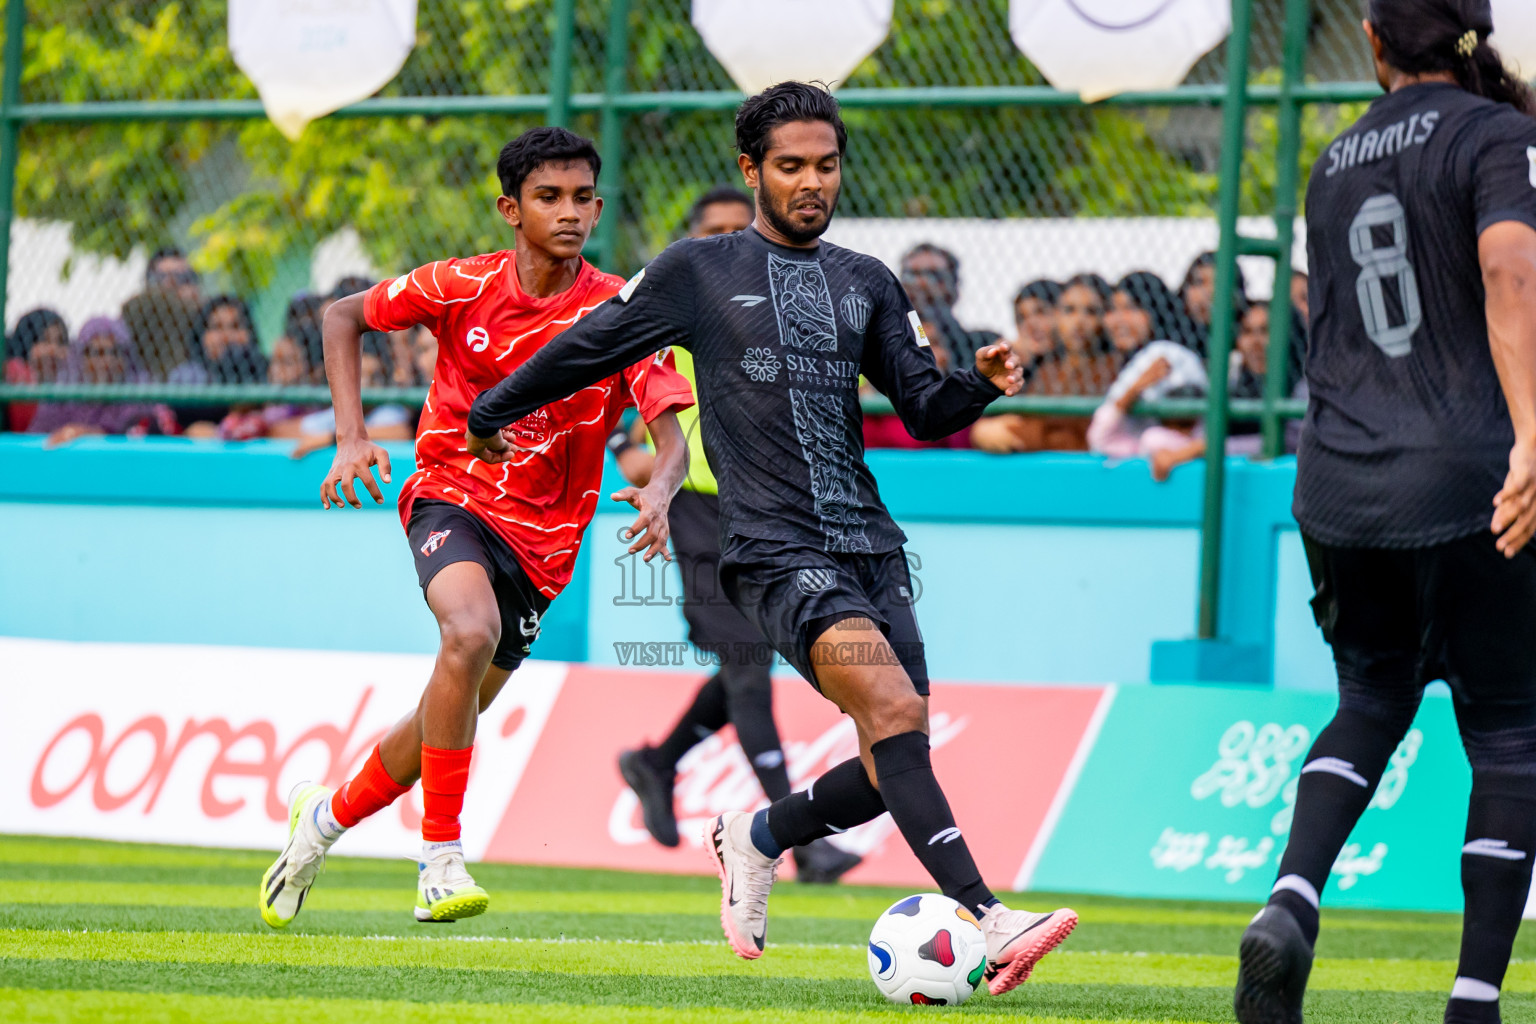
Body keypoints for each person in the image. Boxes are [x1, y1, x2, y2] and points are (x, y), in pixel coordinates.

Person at [463, 82, 1075, 996]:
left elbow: (921, 402)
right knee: (898, 716)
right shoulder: (696, 272)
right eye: (791, 166)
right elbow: (588, 347)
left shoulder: (867, 280)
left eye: (826, 166)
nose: (811, 183)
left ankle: (756, 836)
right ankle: (991, 917)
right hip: (771, 552)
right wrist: (490, 409)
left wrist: (979, 382)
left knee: (889, 760)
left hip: (871, 545)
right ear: (752, 170)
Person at [256, 126, 694, 930]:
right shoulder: (461, 284)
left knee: (439, 719)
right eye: (548, 198)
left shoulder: (618, 310)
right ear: (509, 208)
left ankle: (320, 821)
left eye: (583, 199)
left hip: (545, 546)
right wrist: (352, 435)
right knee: (467, 631)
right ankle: (440, 858)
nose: (570, 213)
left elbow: (670, 427)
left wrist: (665, 485)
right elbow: (343, 315)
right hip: (452, 494)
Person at [1234, 4, 1536, 1023]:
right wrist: (1534, 435)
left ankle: (1290, 899)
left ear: (1372, 42)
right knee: (1510, 730)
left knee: (1370, 698)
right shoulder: (1499, 136)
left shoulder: (1333, 160)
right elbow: (1508, 271)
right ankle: (1473, 997)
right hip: (1471, 470)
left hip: (1340, 482)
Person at [615, 187, 863, 884]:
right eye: (715, 232)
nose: (731, 244)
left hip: (772, 515)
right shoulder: (671, 310)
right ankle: (800, 838)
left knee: (744, 664)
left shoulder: (793, 314)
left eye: (739, 230)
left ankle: (655, 763)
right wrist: (622, 449)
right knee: (748, 670)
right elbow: (606, 372)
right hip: (698, 512)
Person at [27, 317, 178, 444]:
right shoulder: (62, 398)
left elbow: (165, 429)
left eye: (115, 353)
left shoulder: (141, 397)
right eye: (97, 353)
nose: (108, 361)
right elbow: (38, 442)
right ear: (81, 359)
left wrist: (95, 434)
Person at [898, 243, 999, 370]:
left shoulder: (984, 343)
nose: (921, 283)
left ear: (954, 287)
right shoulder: (883, 345)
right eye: (911, 275)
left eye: (934, 275)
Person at [4, 307, 68, 432]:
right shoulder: (12, 375)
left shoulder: (70, 383)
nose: (54, 350)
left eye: (60, 342)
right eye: (44, 340)